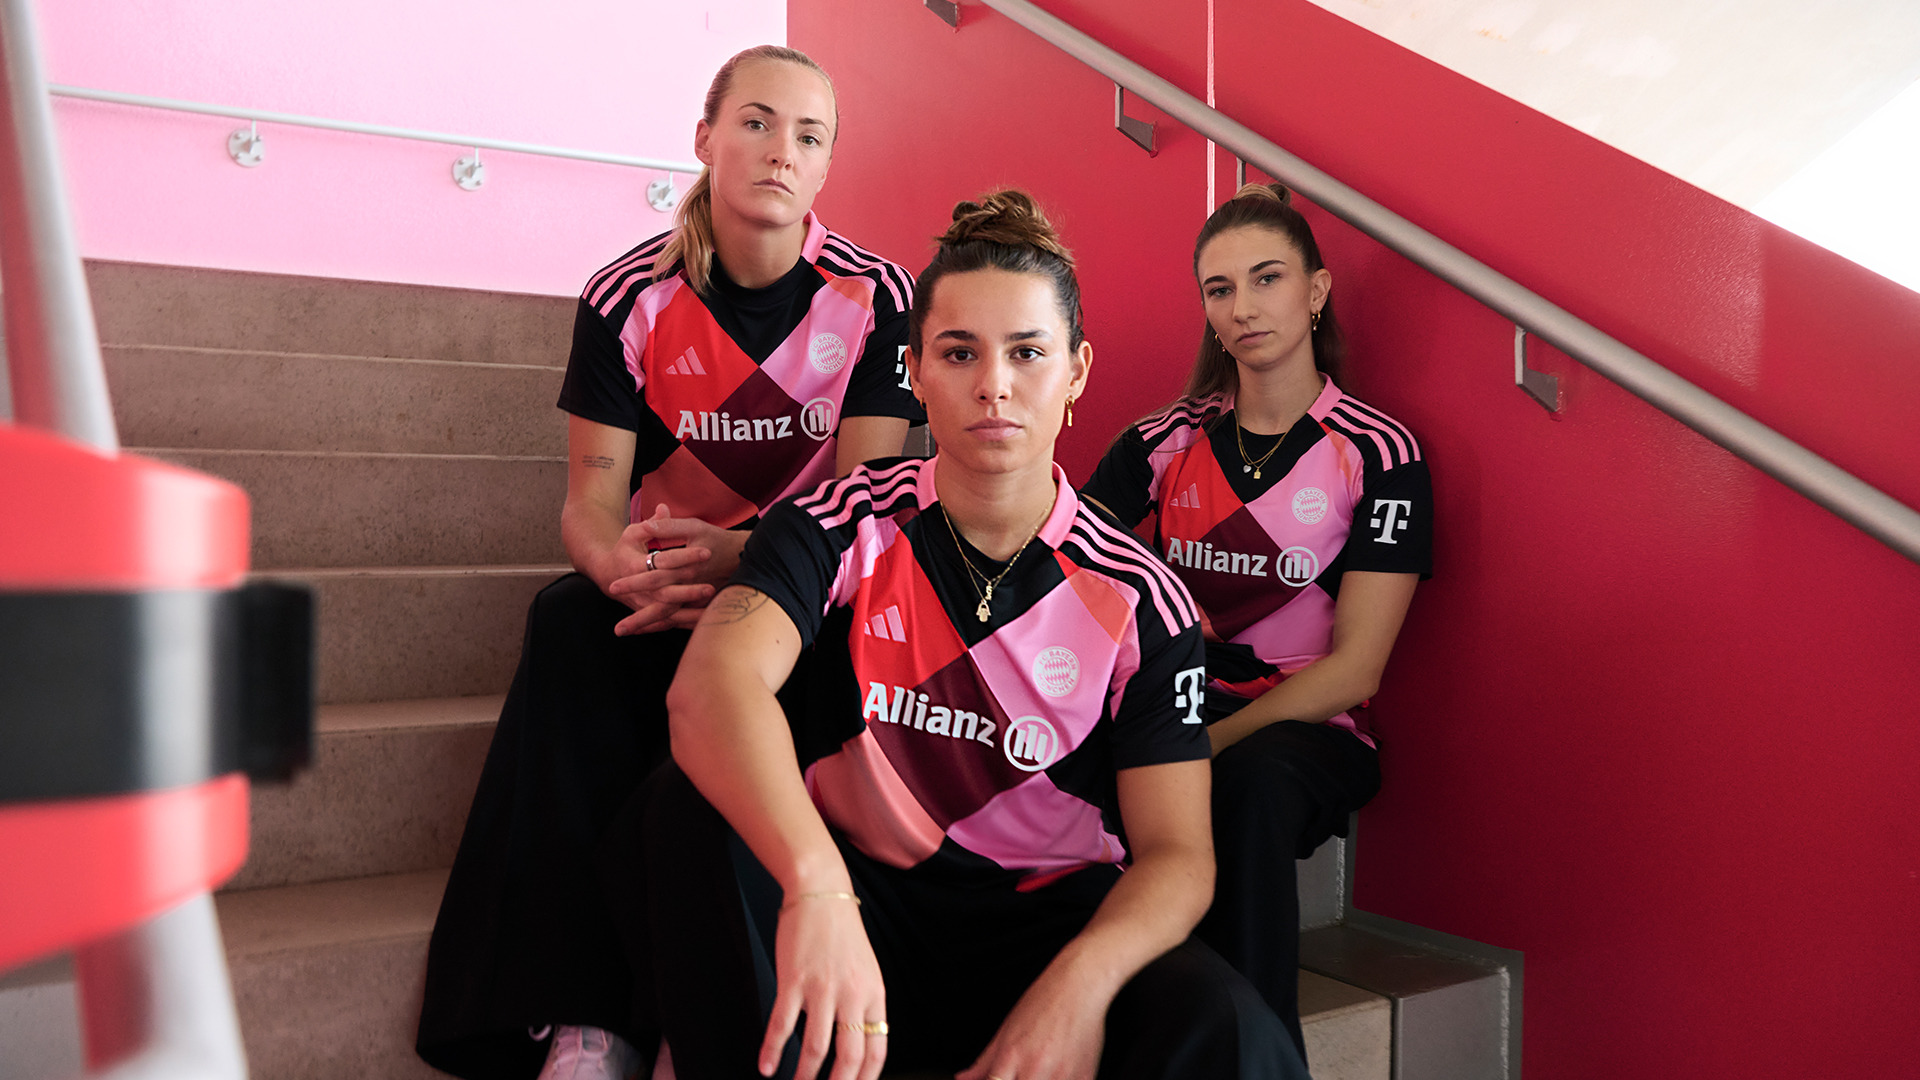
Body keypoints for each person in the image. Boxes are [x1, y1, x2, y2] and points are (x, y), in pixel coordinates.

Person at [625, 190, 1304, 1080]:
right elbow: (711, 689)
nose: (994, 384)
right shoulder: (835, 524)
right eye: (959, 352)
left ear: (1076, 372)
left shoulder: (1144, 600)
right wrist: (815, 885)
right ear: (914, 372)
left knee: (1230, 1030)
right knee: (689, 808)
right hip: (859, 904)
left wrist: (1078, 994)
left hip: (1044, 920)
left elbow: (1178, 856)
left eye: (1028, 353)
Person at [416, 46, 924, 1080]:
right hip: (665, 584)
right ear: (704, 138)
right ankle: (584, 1020)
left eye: (810, 135)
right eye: (756, 122)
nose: (782, 151)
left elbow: (867, 509)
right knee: (567, 623)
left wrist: (746, 562)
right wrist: (627, 575)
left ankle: (711, 1009)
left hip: (799, 597)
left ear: (827, 166)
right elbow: (590, 507)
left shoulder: (877, 299)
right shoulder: (626, 295)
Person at [1080, 181, 1432, 1065]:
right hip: (1179, 708)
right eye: (1219, 288)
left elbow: (1356, 672)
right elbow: (1068, 582)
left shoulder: (1380, 454)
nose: (1242, 308)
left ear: (1314, 292)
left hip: (1308, 728)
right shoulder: (1159, 445)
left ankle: (1254, 1056)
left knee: (1251, 786)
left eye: (1266, 279)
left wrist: (1213, 739)